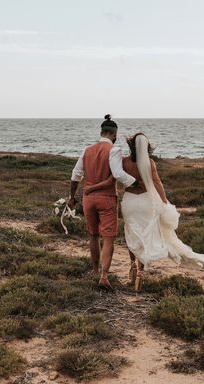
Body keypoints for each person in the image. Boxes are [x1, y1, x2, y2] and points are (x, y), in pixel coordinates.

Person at [85, 132, 204, 290]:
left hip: (130, 202)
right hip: (147, 202)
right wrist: (164, 201)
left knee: (132, 233)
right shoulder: (150, 164)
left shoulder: (124, 162)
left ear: (131, 146)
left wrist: (92, 187)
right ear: (147, 148)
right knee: (144, 235)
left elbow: (114, 178)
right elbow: (157, 184)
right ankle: (140, 273)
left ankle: (132, 266)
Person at [69, 115, 139, 290]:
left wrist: (71, 197)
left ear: (101, 132)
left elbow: (76, 174)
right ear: (114, 134)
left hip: (88, 199)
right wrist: (136, 183)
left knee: (93, 235)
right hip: (106, 198)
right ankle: (104, 276)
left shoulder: (87, 150)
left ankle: (94, 270)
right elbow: (117, 174)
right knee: (108, 238)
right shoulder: (114, 150)